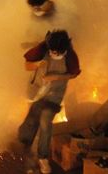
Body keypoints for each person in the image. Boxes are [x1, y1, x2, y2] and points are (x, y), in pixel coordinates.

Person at [19, 30, 80, 174]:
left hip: (54, 95)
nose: (55, 54)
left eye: (58, 53)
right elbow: (27, 65)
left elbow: (73, 74)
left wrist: (56, 77)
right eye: (52, 51)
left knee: (45, 122)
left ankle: (43, 158)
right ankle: (27, 150)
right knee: (32, 121)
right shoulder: (42, 48)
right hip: (36, 90)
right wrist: (39, 64)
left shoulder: (71, 56)